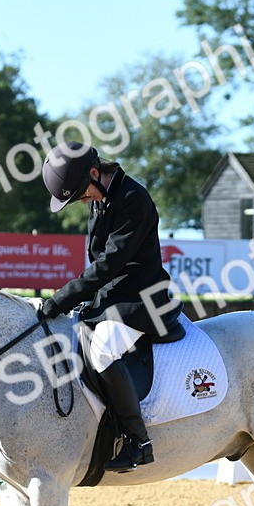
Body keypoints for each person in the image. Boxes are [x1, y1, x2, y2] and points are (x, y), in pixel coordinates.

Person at [38, 142, 183, 472]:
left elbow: (108, 264)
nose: (82, 201)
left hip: (141, 296)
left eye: (81, 194)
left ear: (94, 172)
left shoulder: (133, 199)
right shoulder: (101, 196)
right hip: (113, 294)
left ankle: (138, 441)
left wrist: (61, 299)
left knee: (102, 351)